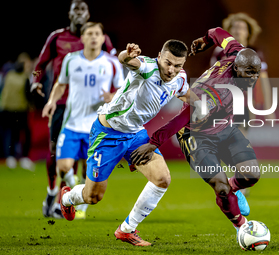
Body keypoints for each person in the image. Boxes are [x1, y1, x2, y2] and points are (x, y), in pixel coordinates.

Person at [60, 39, 208, 246]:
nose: (171, 70)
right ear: (159, 57)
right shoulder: (147, 67)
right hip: (108, 133)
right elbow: (127, 60)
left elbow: (188, 96)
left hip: (135, 135)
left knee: (162, 178)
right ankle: (67, 198)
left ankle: (126, 229)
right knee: (92, 197)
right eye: (167, 63)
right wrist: (127, 54)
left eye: (177, 65)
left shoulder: (180, 79)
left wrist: (208, 105)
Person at [130, 27, 262, 239]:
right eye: (249, 73)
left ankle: (232, 188)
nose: (253, 78)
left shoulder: (237, 51)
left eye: (256, 73)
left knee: (251, 175)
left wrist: (205, 40)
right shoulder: (216, 90)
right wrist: (154, 142)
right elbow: (185, 116)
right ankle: (242, 227)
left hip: (223, 127)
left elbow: (219, 32)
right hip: (195, 134)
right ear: (237, 68)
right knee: (219, 187)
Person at [31, 0, 115, 218]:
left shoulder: (100, 39)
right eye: (75, 10)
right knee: (55, 153)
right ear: (69, 14)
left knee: (84, 157)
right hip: (62, 104)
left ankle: (69, 199)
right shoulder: (57, 38)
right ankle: (52, 191)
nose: (78, 13)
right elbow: (39, 66)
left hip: (93, 107)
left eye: (82, 9)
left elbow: (116, 63)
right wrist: (35, 81)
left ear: (88, 14)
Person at [211, 13, 274, 135]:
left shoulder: (255, 54)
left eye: (242, 28)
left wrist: (269, 108)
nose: (238, 31)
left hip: (244, 104)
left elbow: (264, 81)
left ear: (248, 33)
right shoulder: (219, 52)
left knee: (239, 140)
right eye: (235, 27)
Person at [1, 53, 34, 171]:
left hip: (7, 108)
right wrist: (32, 105)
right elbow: (27, 94)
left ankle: (10, 157)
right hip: (20, 109)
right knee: (25, 133)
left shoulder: (9, 75)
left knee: (11, 134)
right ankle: (24, 157)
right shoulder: (24, 77)